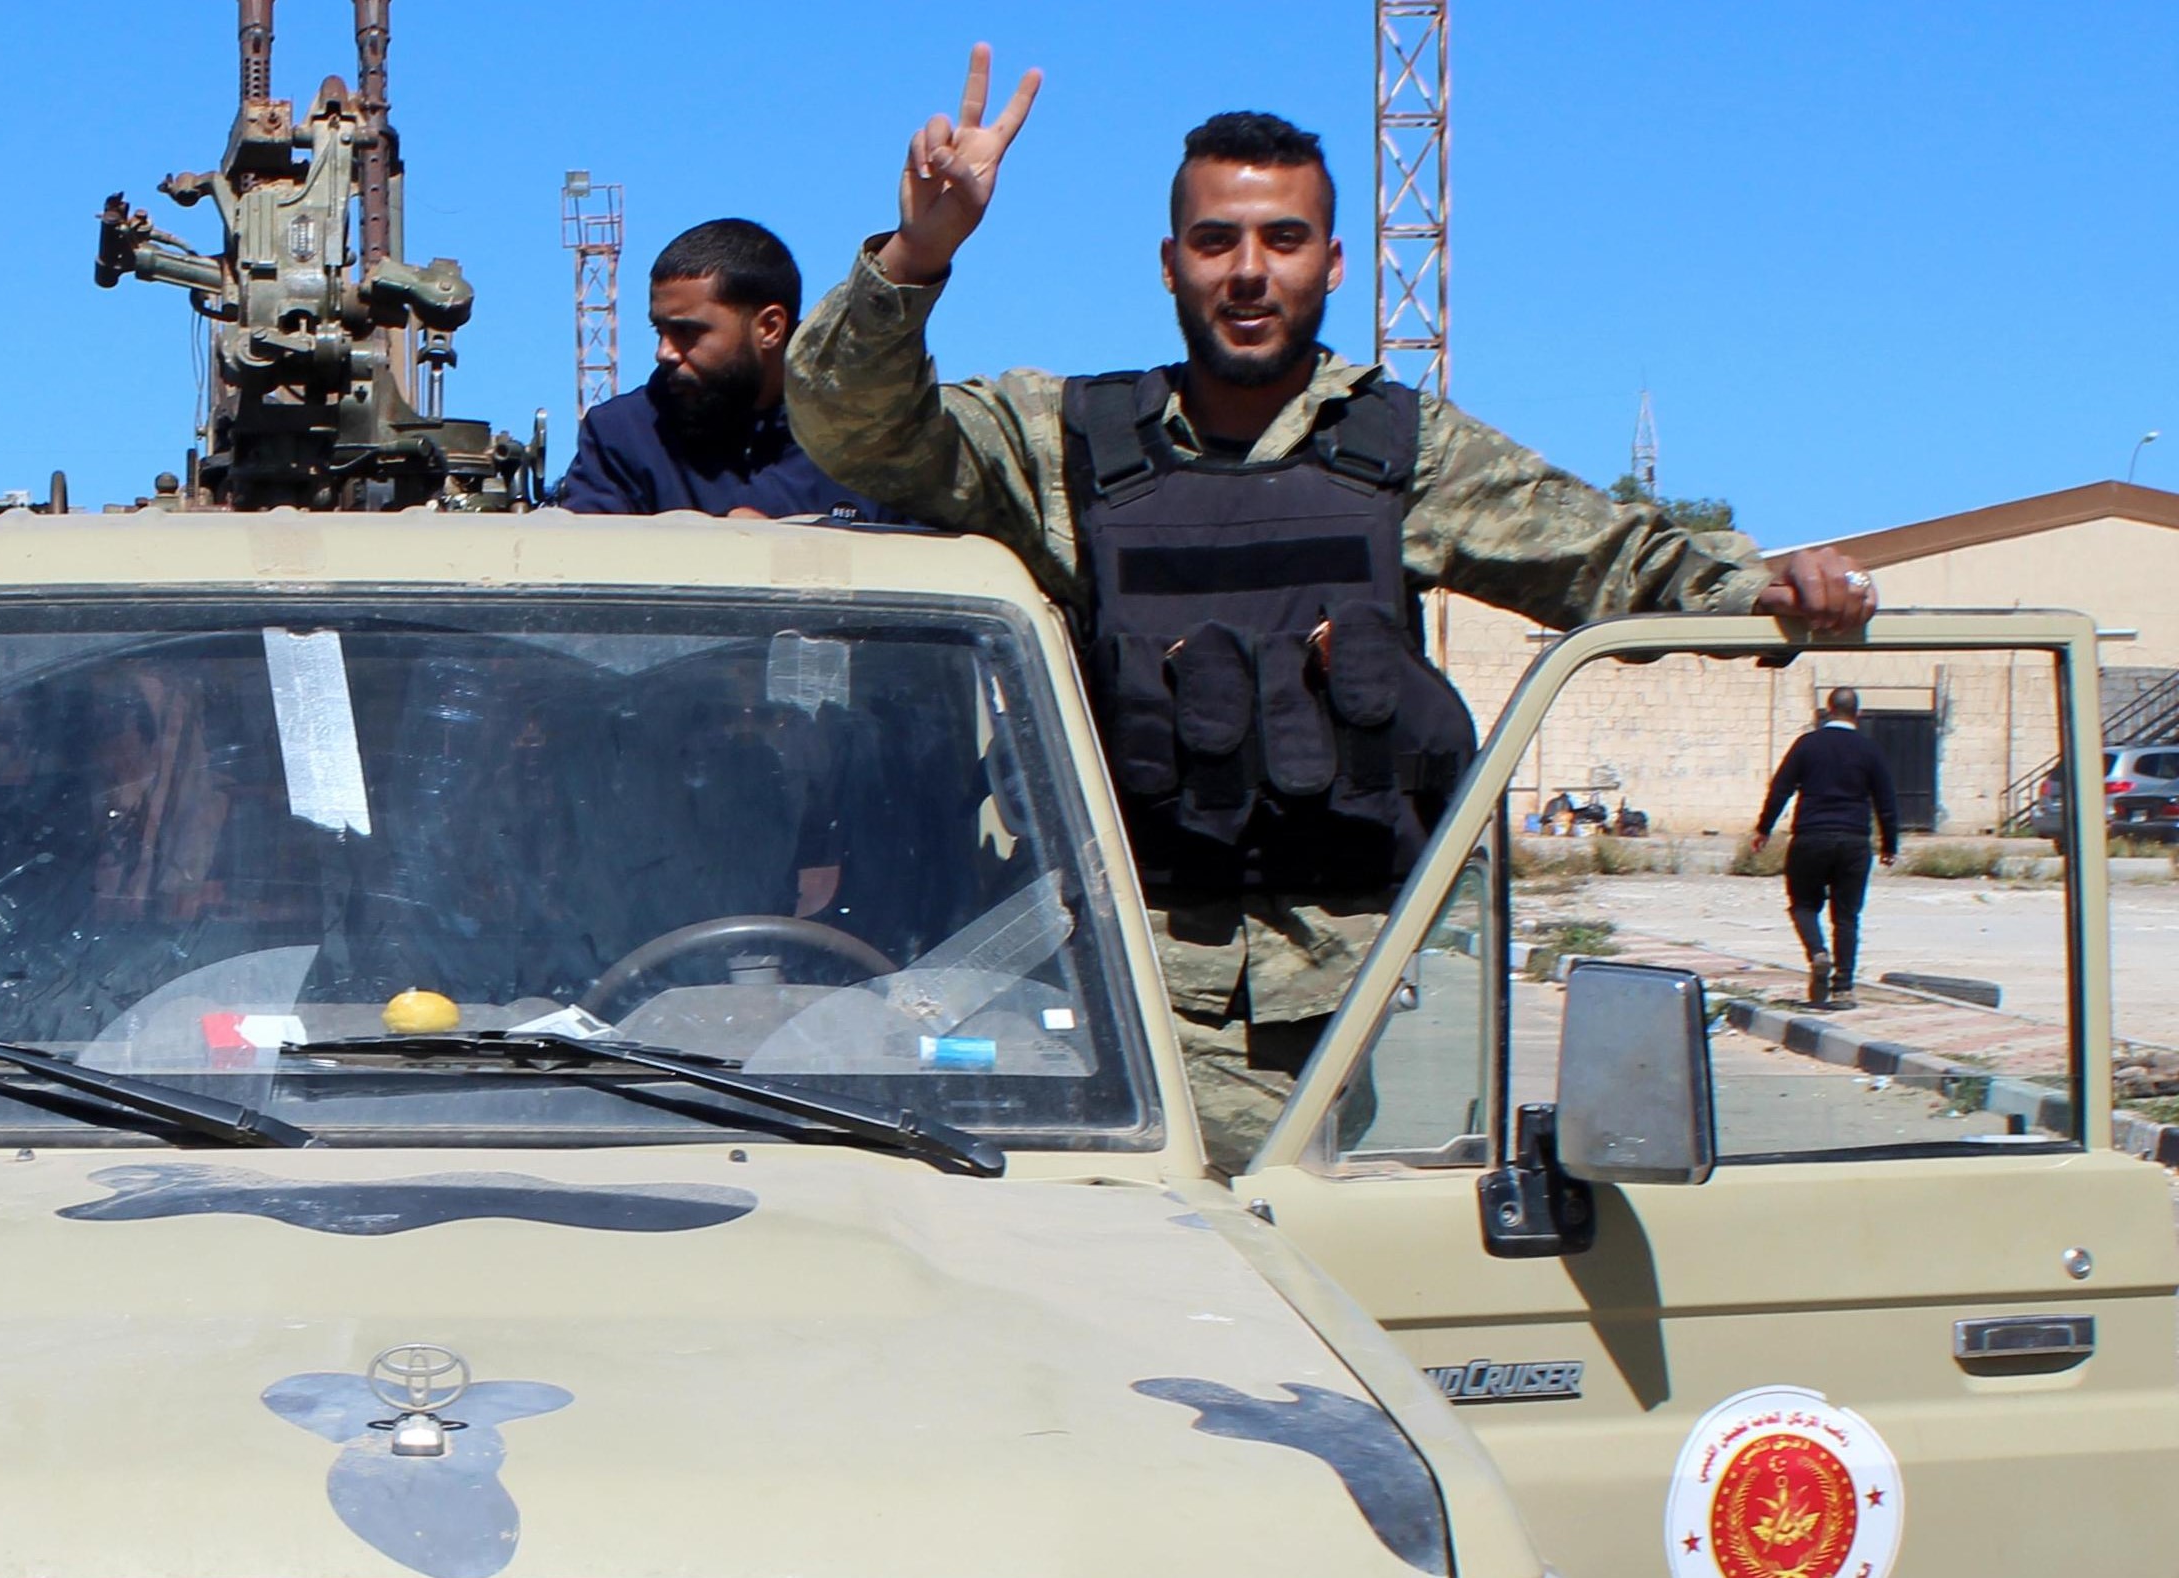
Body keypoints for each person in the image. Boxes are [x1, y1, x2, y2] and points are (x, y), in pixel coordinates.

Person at [785, 48, 1880, 1171]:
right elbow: (851, 429)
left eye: (1282, 241)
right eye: (1216, 242)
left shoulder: (1403, 452)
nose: (1248, 272)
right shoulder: (1063, 444)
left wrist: (1765, 589)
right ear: (1170, 264)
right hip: (1107, 981)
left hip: (1334, 1002)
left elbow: (1604, 558)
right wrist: (920, 252)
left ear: (1335, 263)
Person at [552, 219, 898, 520]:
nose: (664, 353)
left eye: (688, 332)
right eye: (660, 331)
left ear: (769, 328)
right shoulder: (622, 437)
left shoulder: (870, 433)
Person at [1750, 688, 1900, 1008]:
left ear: (1827, 710)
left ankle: (1817, 952)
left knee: (1803, 905)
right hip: (1855, 841)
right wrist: (1889, 845)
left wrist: (1764, 828)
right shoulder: (1869, 750)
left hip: (1811, 837)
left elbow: (1780, 790)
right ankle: (1843, 988)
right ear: (1856, 714)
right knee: (1846, 916)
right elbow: (1886, 801)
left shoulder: (1807, 744)